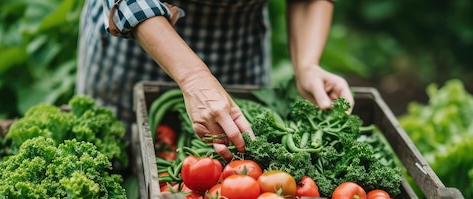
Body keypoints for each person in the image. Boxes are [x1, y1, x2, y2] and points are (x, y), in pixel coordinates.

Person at [77, 0, 354, 161]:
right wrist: (195, 77)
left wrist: (306, 64)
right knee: (116, 163)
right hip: (141, 41)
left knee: (237, 154)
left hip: (237, 47)